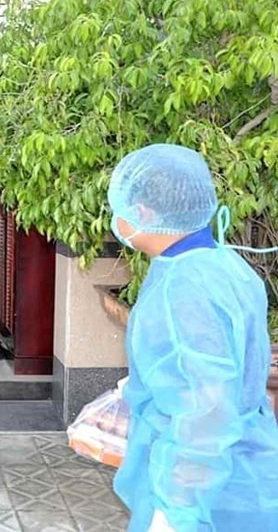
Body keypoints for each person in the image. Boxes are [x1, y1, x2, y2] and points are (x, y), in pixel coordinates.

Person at [108, 143, 278, 531]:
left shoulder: (181, 289)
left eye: (118, 208)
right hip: (249, 471)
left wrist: (174, 512)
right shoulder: (226, 264)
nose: (116, 219)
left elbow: (206, 413)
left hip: (206, 494)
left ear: (143, 213)